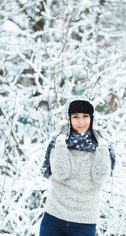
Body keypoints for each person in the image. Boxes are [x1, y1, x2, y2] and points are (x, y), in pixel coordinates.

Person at [39, 98, 115, 236]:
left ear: (92, 118)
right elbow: (60, 173)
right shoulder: (57, 142)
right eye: (76, 117)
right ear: (68, 119)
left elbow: (100, 176)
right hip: (54, 218)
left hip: (84, 223)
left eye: (85, 116)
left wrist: (102, 146)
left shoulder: (102, 145)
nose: (81, 122)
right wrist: (61, 141)